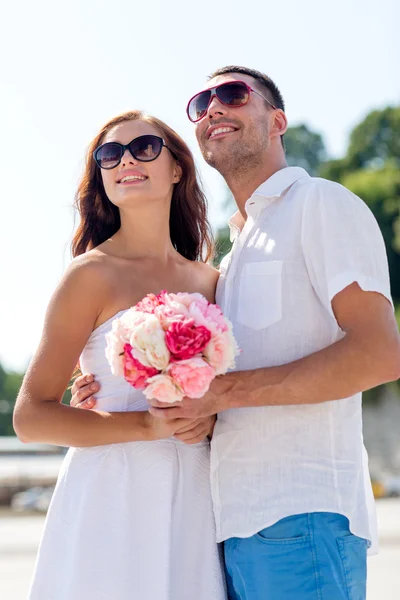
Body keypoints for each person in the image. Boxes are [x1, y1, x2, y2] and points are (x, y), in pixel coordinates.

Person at [72, 67, 400, 600]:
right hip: (230, 530)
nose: (213, 109)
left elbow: (381, 354)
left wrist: (219, 394)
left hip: (304, 518)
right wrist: (112, 384)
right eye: (201, 103)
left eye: (232, 94)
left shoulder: (320, 204)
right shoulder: (234, 254)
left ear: (278, 121)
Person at [13, 110, 227, 600]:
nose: (127, 159)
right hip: (109, 492)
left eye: (145, 147)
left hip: (194, 493)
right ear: (102, 177)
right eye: (110, 154)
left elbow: (226, 395)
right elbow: (30, 418)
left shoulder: (211, 282)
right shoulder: (89, 275)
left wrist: (211, 419)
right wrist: (146, 427)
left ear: (177, 168)